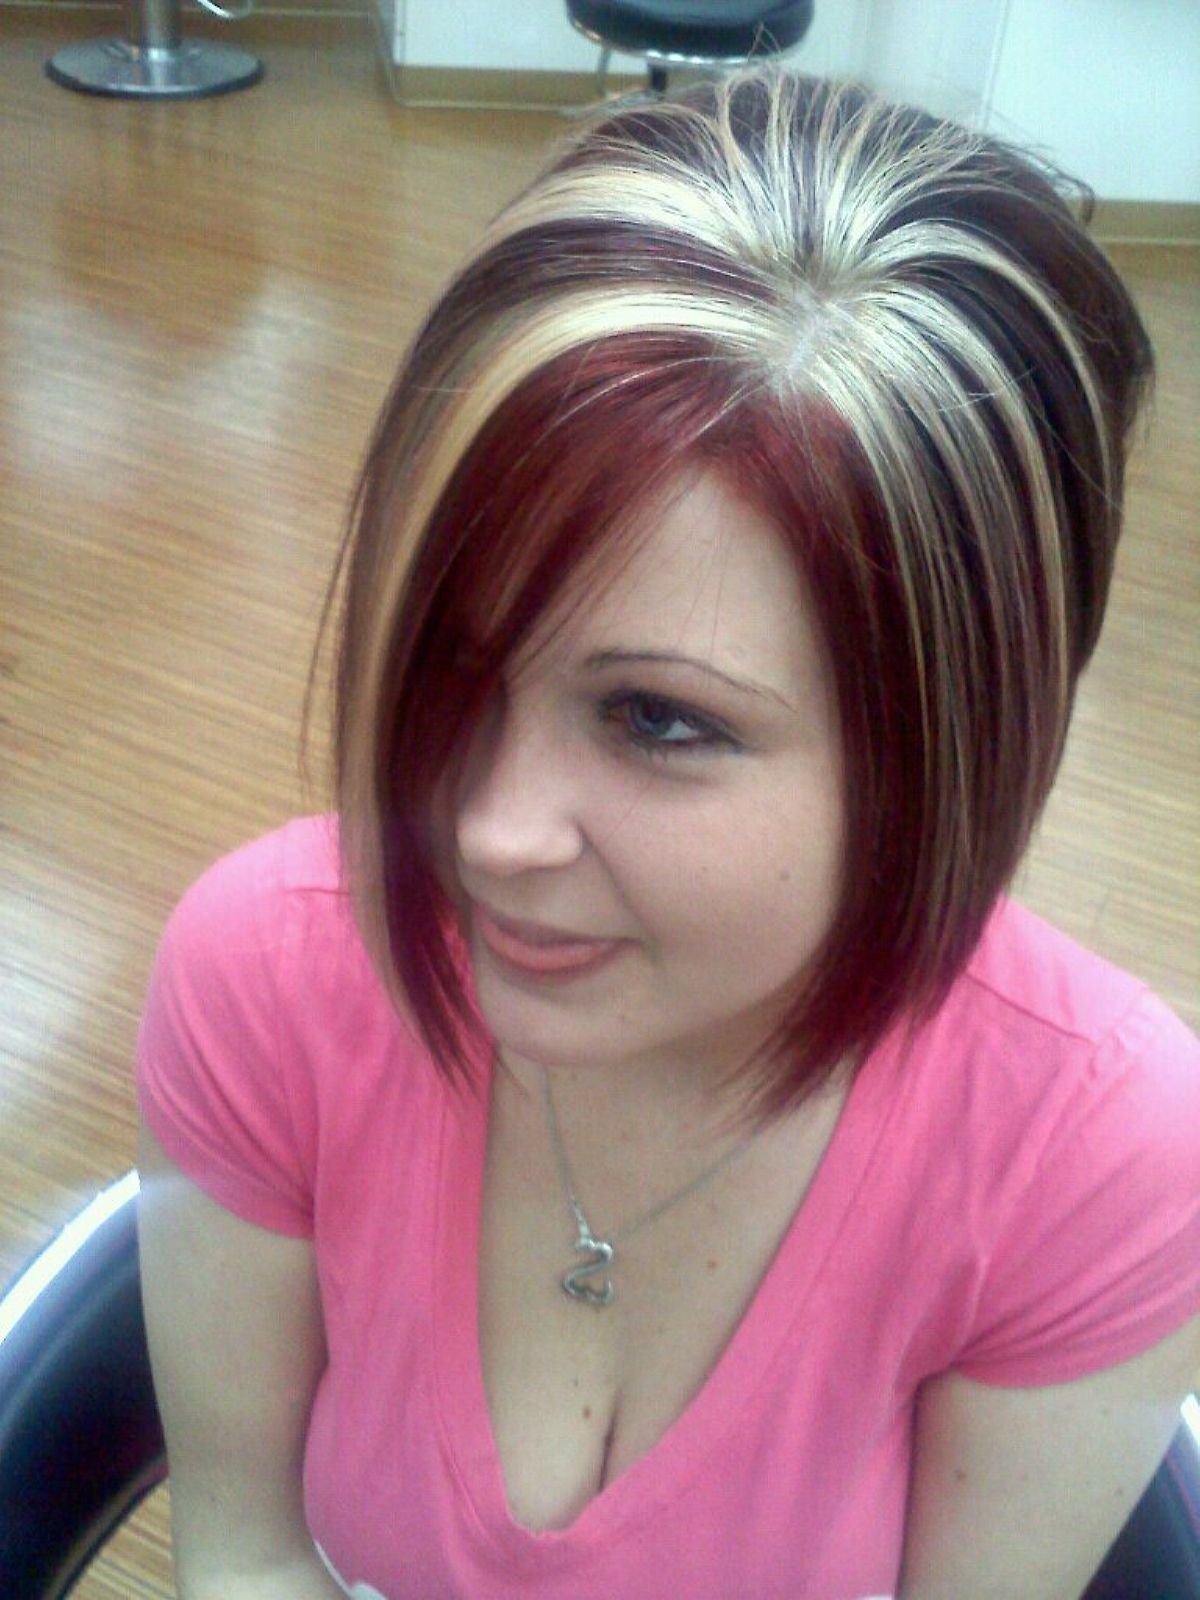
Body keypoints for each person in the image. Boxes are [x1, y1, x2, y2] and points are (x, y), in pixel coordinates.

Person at [135, 68, 1200, 1600]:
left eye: (658, 719)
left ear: (952, 751)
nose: (483, 832)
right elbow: (243, 1554)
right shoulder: (270, 974)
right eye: (447, 660)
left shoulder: (1090, 1150)